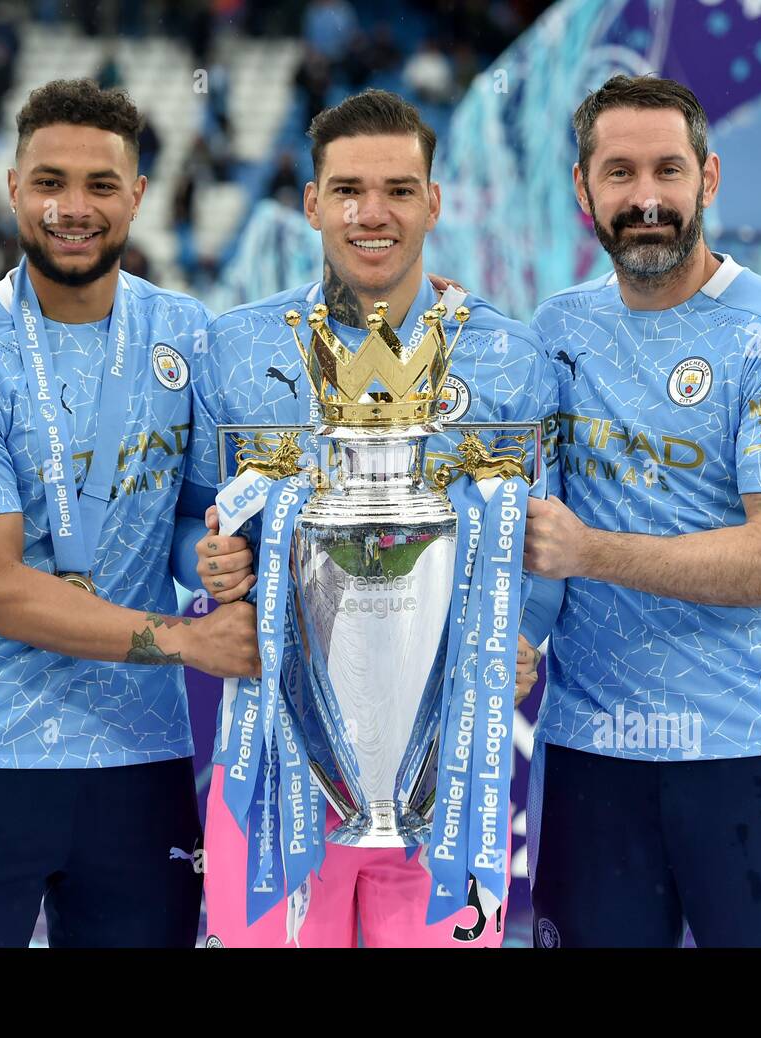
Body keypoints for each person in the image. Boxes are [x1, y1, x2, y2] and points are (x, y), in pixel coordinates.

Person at [181, 89, 561, 948]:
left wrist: (523, 633)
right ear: (312, 202)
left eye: (398, 188)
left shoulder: (508, 357)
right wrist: (206, 566)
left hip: (447, 779)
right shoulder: (235, 350)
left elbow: (544, 543)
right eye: (348, 189)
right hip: (273, 772)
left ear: (434, 201)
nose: (372, 213)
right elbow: (184, 522)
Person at [0, 78, 258, 948]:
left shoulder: (187, 336)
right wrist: (184, 637)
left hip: (140, 763)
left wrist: (208, 560)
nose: (73, 208)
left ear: (137, 195)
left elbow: (195, 517)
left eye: (100, 185)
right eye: (49, 182)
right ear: (13, 188)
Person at [522, 74, 761, 948]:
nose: (647, 198)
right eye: (620, 173)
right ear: (584, 190)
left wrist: (590, 552)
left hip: (749, 757)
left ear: (708, 178)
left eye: (668, 170)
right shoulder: (552, 332)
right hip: (590, 757)